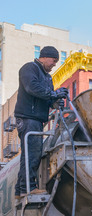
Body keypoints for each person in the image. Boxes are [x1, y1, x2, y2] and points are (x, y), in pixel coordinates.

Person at [14, 46, 69, 199]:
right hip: (27, 117)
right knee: (32, 153)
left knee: (32, 153)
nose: (54, 64)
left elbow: (47, 99)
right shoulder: (29, 68)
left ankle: (20, 190)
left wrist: (56, 101)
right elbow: (32, 87)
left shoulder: (48, 78)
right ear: (45, 57)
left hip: (37, 119)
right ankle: (28, 188)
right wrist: (53, 93)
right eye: (54, 60)